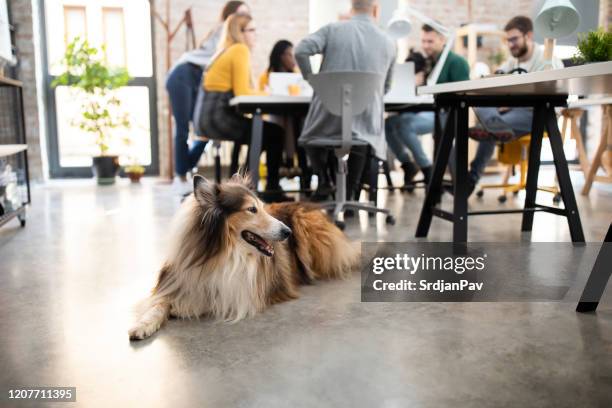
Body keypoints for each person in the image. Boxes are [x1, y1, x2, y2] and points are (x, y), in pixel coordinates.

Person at [294, 0, 396, 202]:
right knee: (361, 139)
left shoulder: (333, 30)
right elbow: (385, 87)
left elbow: (300, 50)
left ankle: (324, 182)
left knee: (308, 136)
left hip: (328, 117)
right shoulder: (389, 42)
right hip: (366, 121)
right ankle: (350, 197)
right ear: (376, 10)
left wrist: (312, 80)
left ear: (352, 8)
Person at [454, 15, 564, 196]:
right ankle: (494, 128)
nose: (510, 44)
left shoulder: (547, 59)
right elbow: (495, 80)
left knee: (487, 125)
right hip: (509, 114)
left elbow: (554, 97)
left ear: (528, 35)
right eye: (508, 40)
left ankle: (473, 175)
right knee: (479, 103)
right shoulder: (513, 61)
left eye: (514, 39)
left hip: (536, 115)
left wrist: (512, 102)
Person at [201, 13, 291, 202]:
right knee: (273, 133)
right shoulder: (239, 49)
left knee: (261, 133)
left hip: (209, 115)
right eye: (252, 30)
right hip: (219, 115)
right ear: (239, 32)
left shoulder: (226, 50)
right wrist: (270, 93)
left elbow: (242, 91)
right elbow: (243, 91)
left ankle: (244, 187)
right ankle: (269, 189)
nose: (255, 34)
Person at [166, 1, 249, 183]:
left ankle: (186, 168)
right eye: (241, 13)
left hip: (198, 79)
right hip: (183, 74)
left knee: (202, 127)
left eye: (247, 14)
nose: (245, 18)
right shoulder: (224, 31)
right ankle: (181, 176)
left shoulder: (234, 41)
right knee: (183, 127)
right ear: (230, 15)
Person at [385, 24, 470, 189]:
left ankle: (427, 168)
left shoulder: (456, 62)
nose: (425, 45)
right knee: (387, 124)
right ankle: (408, 164)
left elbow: (463, 94)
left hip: (447, 114)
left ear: (442, 40)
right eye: (423, 41)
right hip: (427, 111)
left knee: (404, 125)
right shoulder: (428, 62)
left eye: (430, 41)